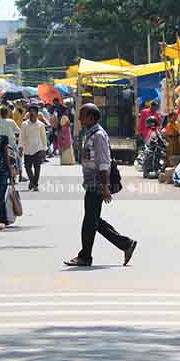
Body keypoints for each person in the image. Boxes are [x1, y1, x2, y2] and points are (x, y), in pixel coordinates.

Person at [65, 103, 137, 267]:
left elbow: (104, 163)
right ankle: (126, 244)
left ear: (91, 117)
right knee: (93, 220)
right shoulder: (90, 134)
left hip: (97, 184)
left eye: (82, 116)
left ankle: (85, 256)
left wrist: (105, 188)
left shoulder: (98, 135)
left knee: (90, 221)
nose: (79, 119)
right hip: (92, 183)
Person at [21, 105, 48, 191]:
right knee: (27, 167)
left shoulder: (41, 125)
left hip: (38, 148)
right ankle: (32, 181)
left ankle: (35, 183)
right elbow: (21, 136)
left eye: (34, 112)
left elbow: (43, 137)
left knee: (37, 167)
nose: (32, 113)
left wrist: (44, 149)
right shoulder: (24, 124)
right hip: (27, 148)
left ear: (37, 113)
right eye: (30, 111)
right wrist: (20, 147)